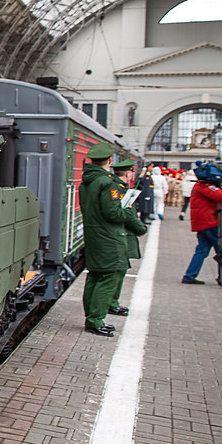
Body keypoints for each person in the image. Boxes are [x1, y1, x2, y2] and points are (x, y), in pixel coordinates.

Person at [80, 143, 147, 336]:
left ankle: (92, 317)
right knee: (108, 276)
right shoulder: (108, 183)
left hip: (94, 233)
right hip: (109, 236)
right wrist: (127, 208)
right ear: (110, 161)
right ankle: (95, 320)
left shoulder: (88, 180)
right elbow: (113, 213)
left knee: (94, 275)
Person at [182, 167, 222, 287]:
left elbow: (213, 204)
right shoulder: (205, 187)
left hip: (205, 222)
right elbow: (221, 196)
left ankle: (190, 276)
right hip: (208, 223)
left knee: (202, 250)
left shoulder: (203, 186)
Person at [108, 158, 148, 316]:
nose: (132, 174)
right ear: (126, 173)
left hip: (122, 233)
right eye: (131, 171)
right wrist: (141, 229)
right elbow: (129, 215)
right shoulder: (121, 190)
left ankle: (113, 302)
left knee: (119, 270)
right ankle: (111, 303)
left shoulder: (121, 187)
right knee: (118, 270)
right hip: (122, 234)